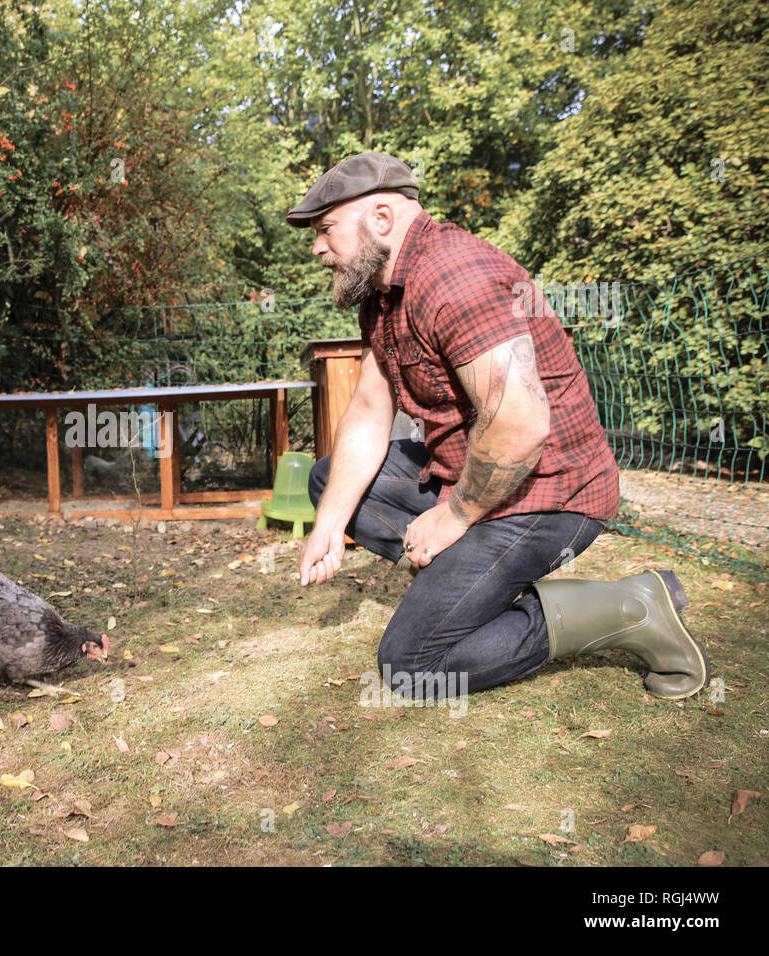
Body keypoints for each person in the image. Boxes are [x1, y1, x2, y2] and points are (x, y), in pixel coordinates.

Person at [288, 152, 709, 700]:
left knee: (411, 667)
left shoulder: (458, 277)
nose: (318, 247)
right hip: (476, 474)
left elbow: (521, 426)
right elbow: (369, 414)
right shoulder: (384, 298)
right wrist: (329, 525)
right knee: (329, 484)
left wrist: (454, 517)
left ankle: (629, 607)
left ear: (382, 218)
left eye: (325, 229)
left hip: (550, 494)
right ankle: (463, 576)